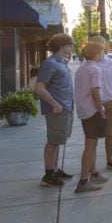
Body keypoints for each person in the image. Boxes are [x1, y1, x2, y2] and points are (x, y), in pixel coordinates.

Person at [35, 33, 76, 187]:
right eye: (70, 44)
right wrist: (55, 104)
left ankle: (55, 168)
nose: (72, 47)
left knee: (58, 140)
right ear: (62, 45)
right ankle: (48, 174)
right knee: (53, 141)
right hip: (57, 110)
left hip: (65, 108)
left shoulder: (61, 62)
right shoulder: (50, 64)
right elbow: (39, 88)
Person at [73, 42, 109, 193]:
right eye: (101, 52)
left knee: (90, 144)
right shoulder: (95, 69)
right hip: (92, 111)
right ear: (97, 54)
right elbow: (96, 92)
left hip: (83, 110)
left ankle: (93, 173)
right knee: (90, 146)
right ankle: (83, 181)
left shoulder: (82, 68)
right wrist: (101, 110)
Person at [90, 35, 112, 171]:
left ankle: (111, 160)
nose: (98, 49)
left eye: (100, 46)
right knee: (93, 135)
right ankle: (92, 165)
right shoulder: (90, 64)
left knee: (110, 132)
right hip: (93, 103)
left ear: (105, 47)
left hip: (109, 101)